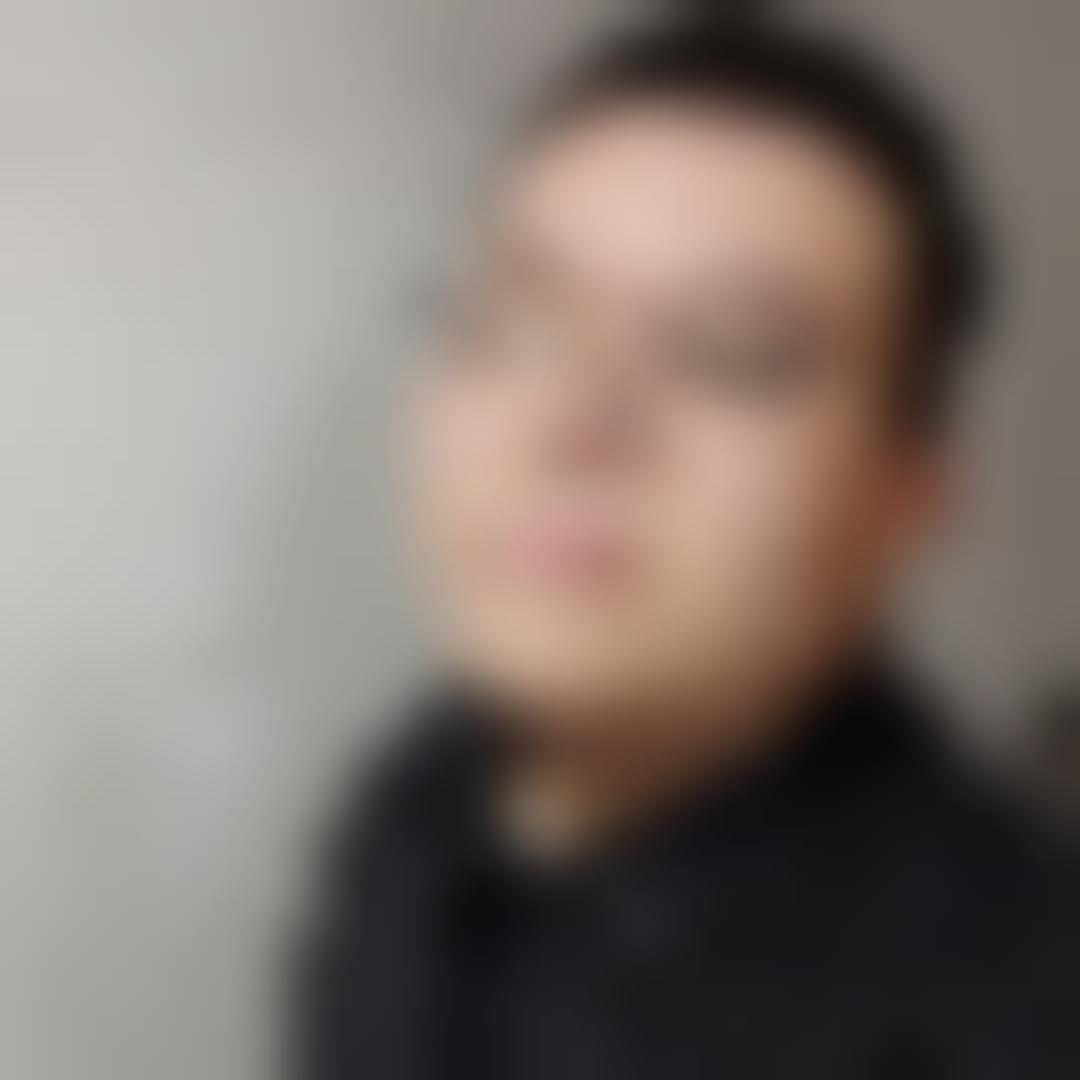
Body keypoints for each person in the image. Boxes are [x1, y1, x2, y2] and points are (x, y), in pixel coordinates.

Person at [294, 9, 1076, 1079]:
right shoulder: (416, 805)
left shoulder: (1003, 1005)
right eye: (510, 322)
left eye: (727, 354)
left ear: (902, 500)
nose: (572, 417)